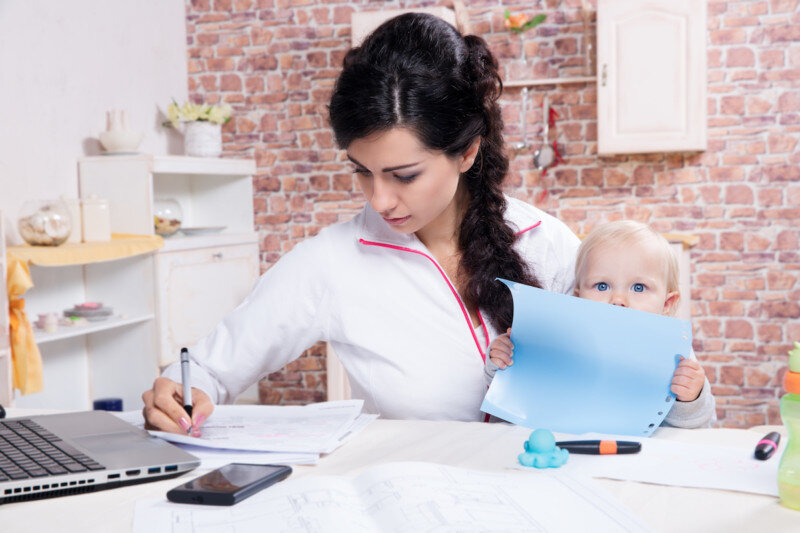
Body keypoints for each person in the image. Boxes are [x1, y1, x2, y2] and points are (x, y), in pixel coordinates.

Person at [142, 13, 580, 435]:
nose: (380, 200)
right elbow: (210, 368)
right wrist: (182, 390)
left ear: (467, 152)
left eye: (404, 175)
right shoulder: (332, 261)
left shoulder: (548, 243)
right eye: (362, 171)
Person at [486, 220, 716, 428]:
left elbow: (701, 426)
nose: (618, 300)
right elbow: (518, 407)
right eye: (602, 286)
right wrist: (503, 365)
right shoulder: (564, 342)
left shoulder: (675, 353)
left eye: (638, 287)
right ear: (578, 296)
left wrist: (691, 397)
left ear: (667, 303)